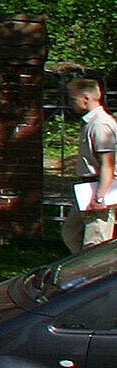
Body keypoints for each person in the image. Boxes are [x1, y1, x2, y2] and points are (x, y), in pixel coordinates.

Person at [65, 73, 117, 252]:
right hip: (86, 188)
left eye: (73, 99)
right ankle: (80, 267)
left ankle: (94, 270)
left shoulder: (100, 125)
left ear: (86, 99)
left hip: (99, 188)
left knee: (95, 244)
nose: (71, 103)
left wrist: (100, 197)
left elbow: (108, 164)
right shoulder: (91, 123)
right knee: (71, 233)